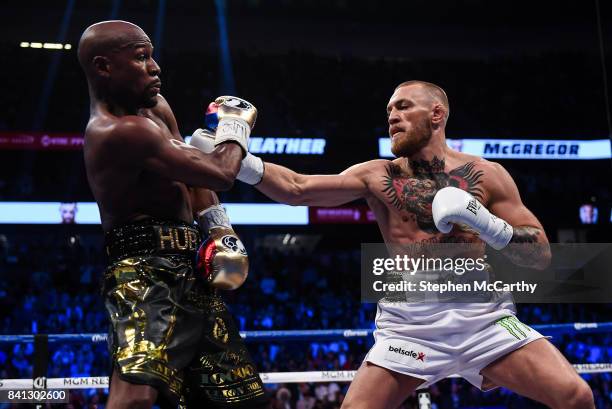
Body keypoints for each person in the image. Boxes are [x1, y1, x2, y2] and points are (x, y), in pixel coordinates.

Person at [223, 81, 594, 408]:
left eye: (402, 106)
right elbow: (296, 188)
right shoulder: (378, 174)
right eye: (388, 111)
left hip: (485, 320)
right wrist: (238, 157)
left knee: (576, 397)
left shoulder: (487, 174)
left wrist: (487, 224)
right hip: (409, 327)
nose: (392, 117)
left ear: (437, 113)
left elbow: (540, 255)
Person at [78, 20, 267, 408]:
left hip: (191, 267)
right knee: (135, 395)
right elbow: (219, 172)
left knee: (238, 398)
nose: (155, 67)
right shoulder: (118, 131)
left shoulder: (156, 108)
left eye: (152, 55)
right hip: (143, 272)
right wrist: (233, 126)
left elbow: (194, 179)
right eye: (141, 57)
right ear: (103, 67)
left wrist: (219, 230)